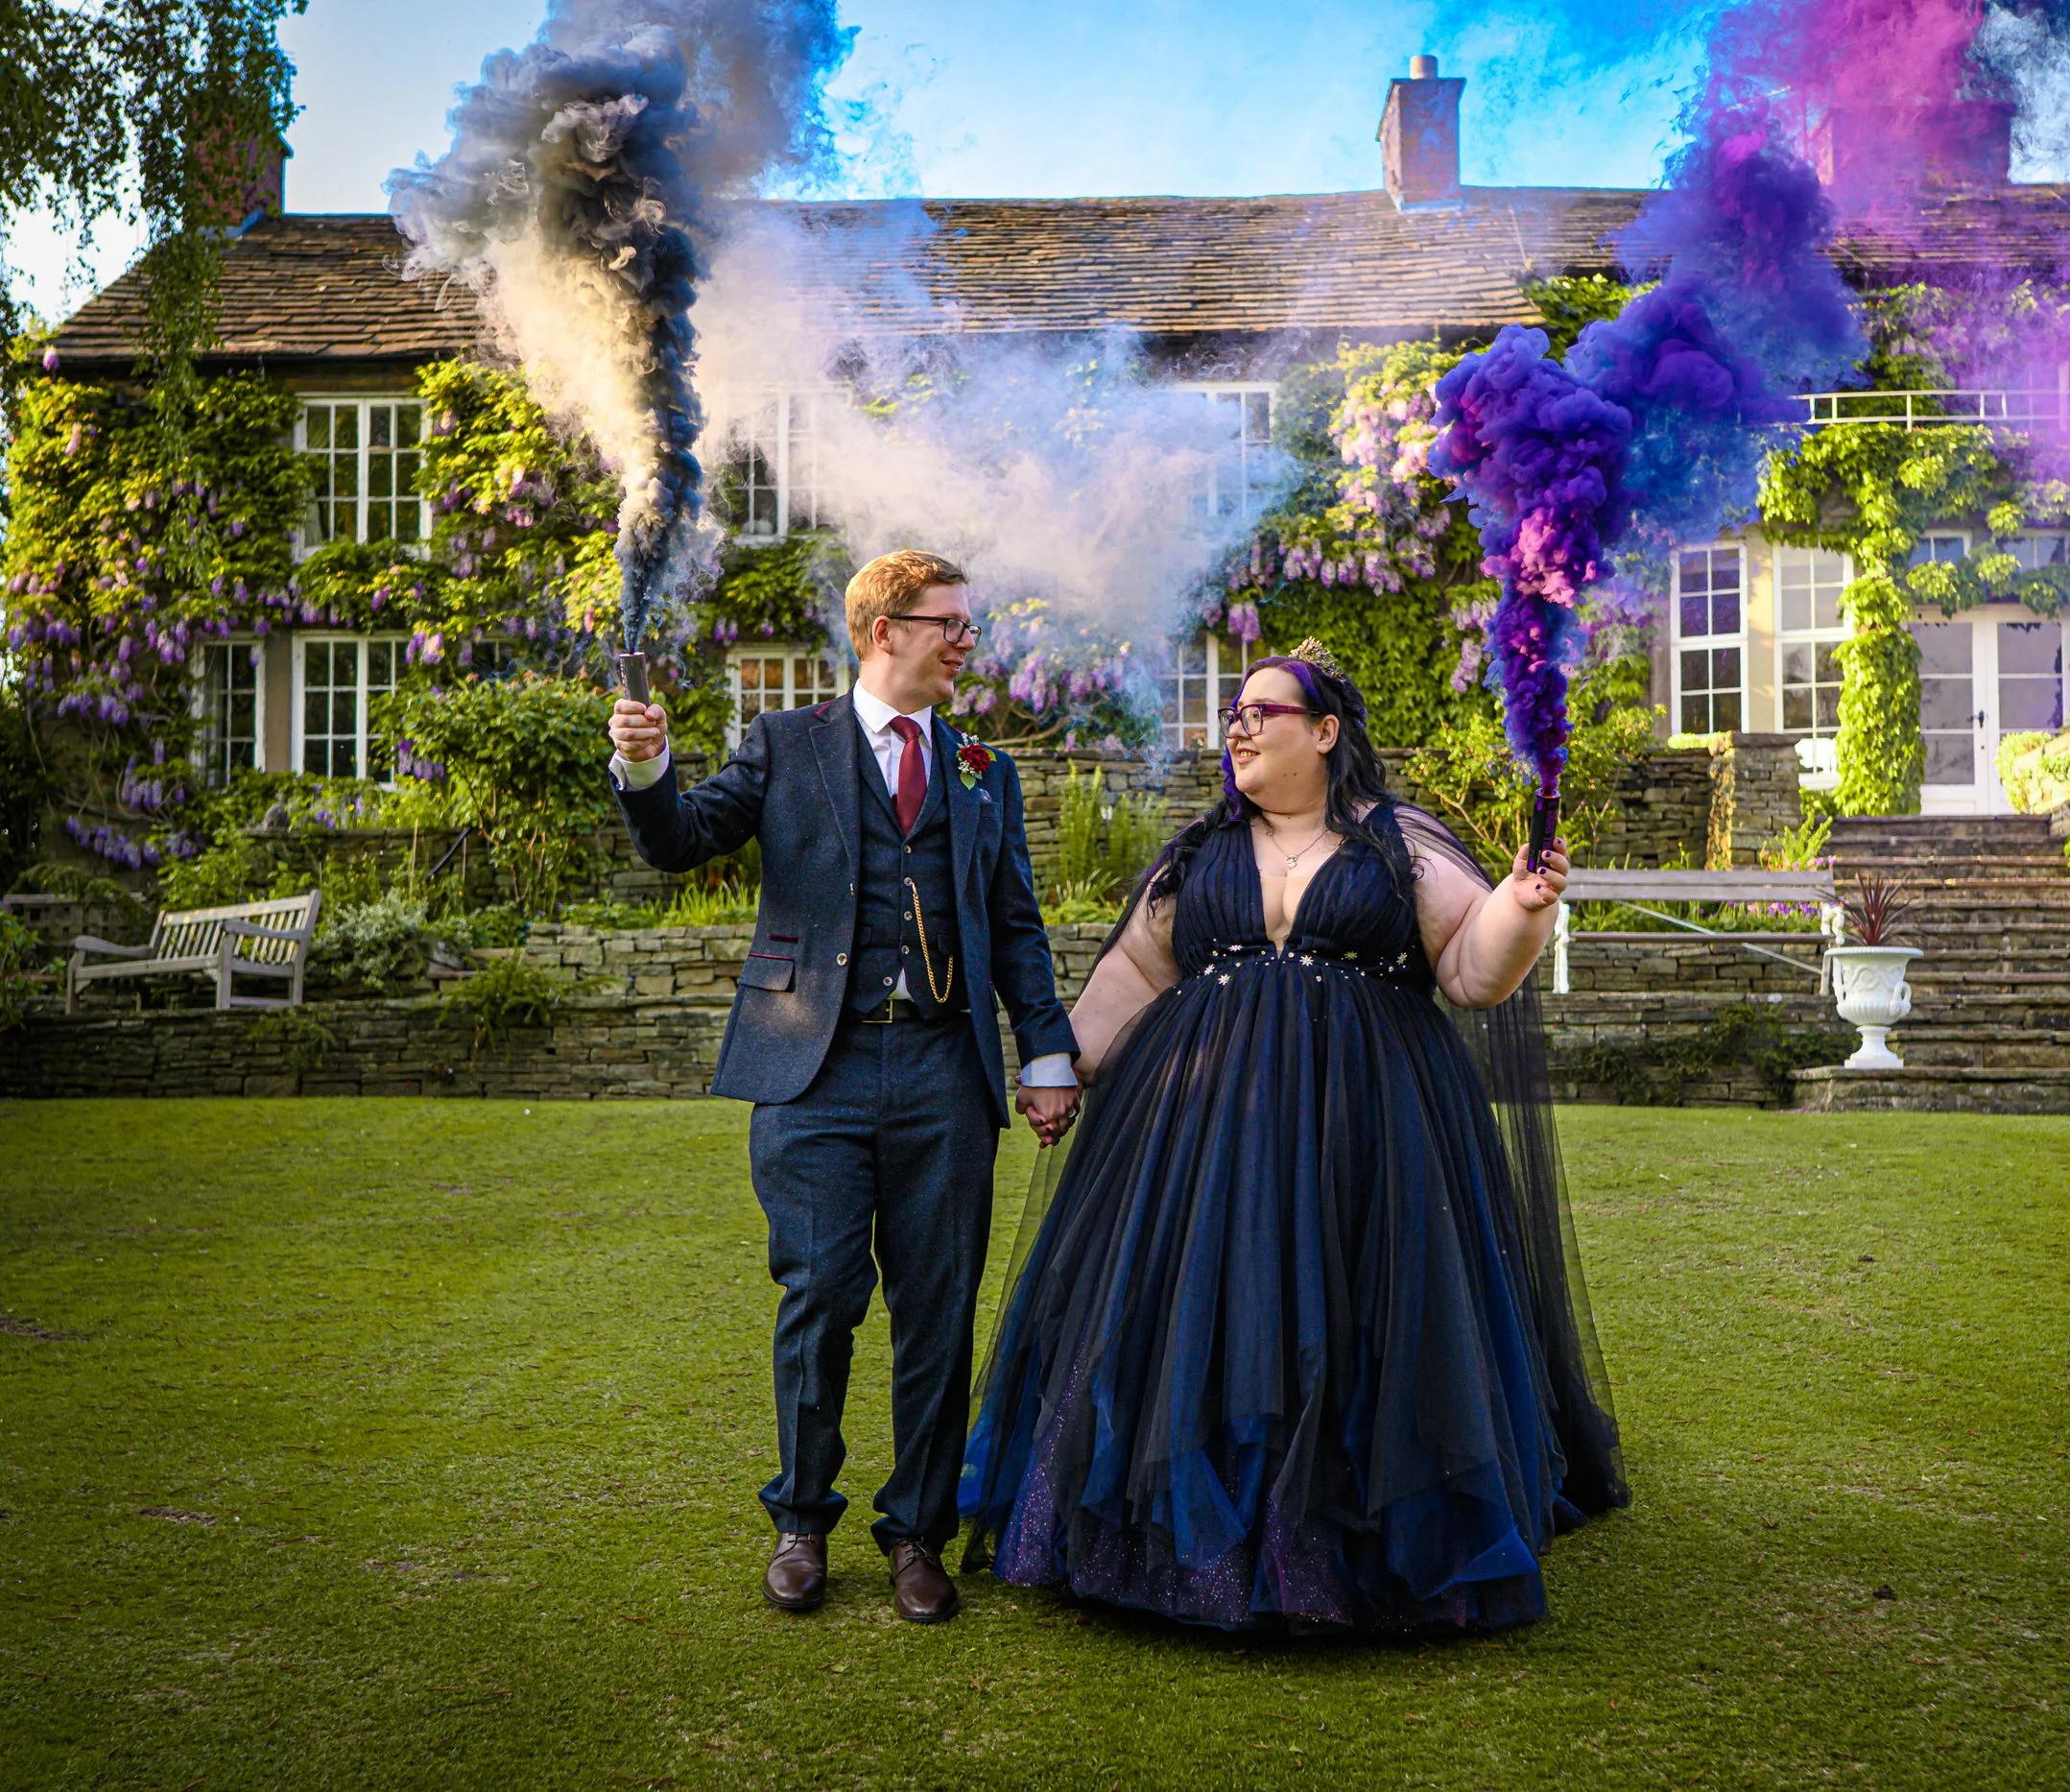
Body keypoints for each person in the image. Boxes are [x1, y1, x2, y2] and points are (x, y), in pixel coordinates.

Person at [958, 640, 1628, 1632]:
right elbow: (1134, 980)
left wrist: (1522, 908)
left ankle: (1343, 1542)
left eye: (1262, 711)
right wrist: (1058, 1069)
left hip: (1368, 1135)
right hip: (1197, 1142)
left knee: (1352, 1325)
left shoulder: (1395, 844)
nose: (1238, 725)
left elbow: (1472, 972)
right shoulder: (1202, 852)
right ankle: (1199, 1538)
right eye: (1233, 712)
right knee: (1207, 1319)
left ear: (1323, 733)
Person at [606, 549, 1082, 1626]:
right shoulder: (785, 743)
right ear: (883, 630)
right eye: (949, 622)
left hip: (941, 1071)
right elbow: (682, 842)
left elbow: (1014, 926)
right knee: (819, 1294)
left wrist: (1044, 1053)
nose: (968, 639)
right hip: (807, 1066)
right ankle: (801, 1522)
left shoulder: (978, 768)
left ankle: (917, 1532)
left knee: (938, 1310)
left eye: (968, 621)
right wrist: (646, 767)